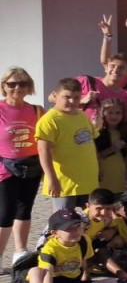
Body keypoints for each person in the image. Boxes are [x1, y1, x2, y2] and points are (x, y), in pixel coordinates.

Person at [29, 210, 117, 283]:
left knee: (112, 282)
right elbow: (47, 274)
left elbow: (85, 261)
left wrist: (86, 275)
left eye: (78, 226)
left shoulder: (84, 240)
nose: (76, 231)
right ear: (55, 233)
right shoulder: (49, 249)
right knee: (35, 271)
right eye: (69, 229)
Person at [0, 67, 43, 269]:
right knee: (5, 213)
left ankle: (20, 252)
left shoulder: (36, 110)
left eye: (23, 83)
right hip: (5, 168)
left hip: (31, 166)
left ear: (29, 87)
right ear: (4, 86)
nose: (17, 87)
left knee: (24, 210)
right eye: (12, 84)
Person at [36, 78, 100, 211]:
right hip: (64, 183)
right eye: (67, 97)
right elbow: (43, 151)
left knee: (91, 219)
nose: (72, 101)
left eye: (76, 97)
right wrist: (52, 178)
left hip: (88, 181)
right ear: (55, 95)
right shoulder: (49, 120)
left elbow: (91, 142)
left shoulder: (82, 115)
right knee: (64, 220)